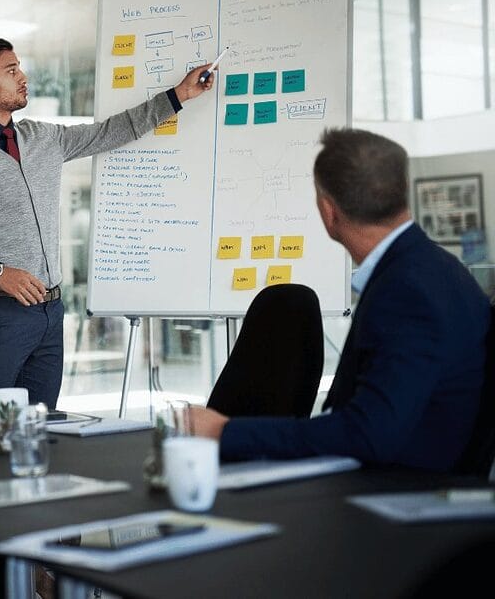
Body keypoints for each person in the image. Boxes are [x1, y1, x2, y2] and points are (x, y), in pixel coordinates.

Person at [0, 37, 215, 408]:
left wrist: (180, 95)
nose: (23, 77)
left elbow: (112, 131)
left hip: (50, 312)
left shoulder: (44, 137)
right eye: (11, 70)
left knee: (44, 424)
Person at [191, 128, 490, 471]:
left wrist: (223, 431)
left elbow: (369, 433)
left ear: (328, 211)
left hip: (395, 488)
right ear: (403, 192)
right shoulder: (438, 269)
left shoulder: (408, 291)